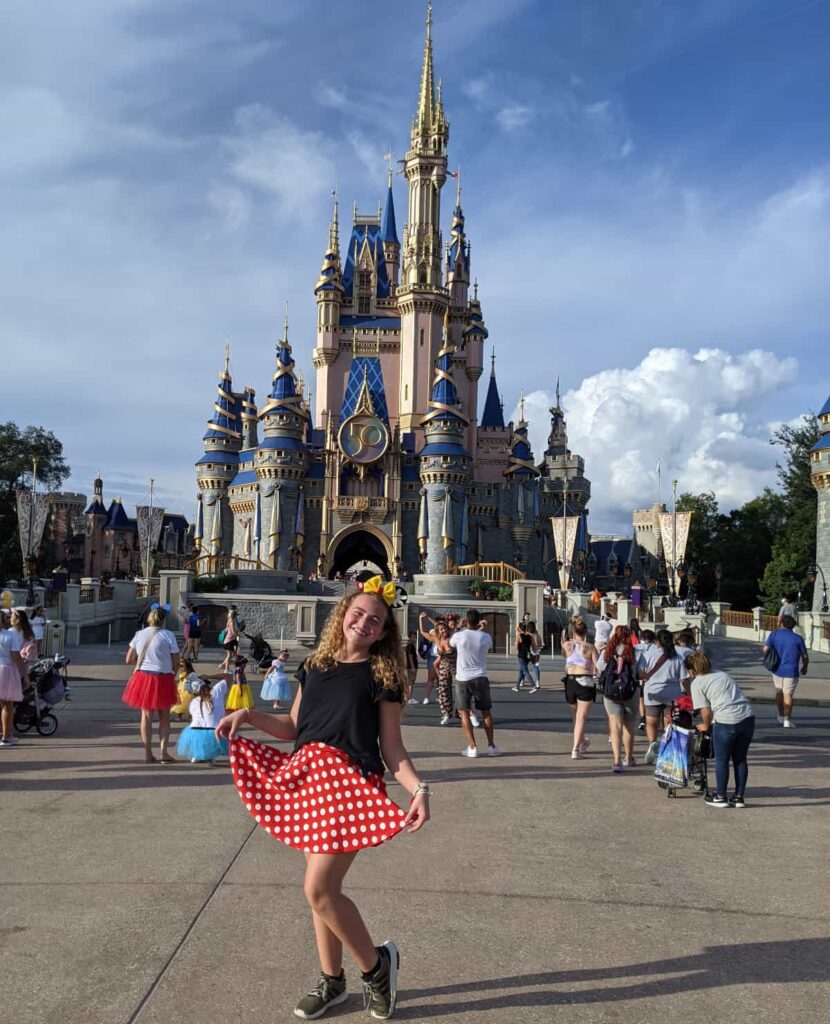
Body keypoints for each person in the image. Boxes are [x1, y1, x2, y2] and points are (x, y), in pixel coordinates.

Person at [215, 577, 429, 1021]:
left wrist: (418, 789)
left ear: (384, 631)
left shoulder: (382, 675)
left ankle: (376, 967)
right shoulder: (314, 665)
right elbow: (294, 727)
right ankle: (332, 981)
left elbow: (392, 748)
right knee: (322, 892)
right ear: (343, 614)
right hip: (310, 782)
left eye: (376, 620)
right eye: (359, 613)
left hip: (351, 786)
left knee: (318, 887)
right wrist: (248, 714)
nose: (364, 623)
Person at [686, 651, 755, 809]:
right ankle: (739, 797)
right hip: (747, 717)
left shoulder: (697, 683)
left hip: (725, 720)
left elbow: (706, 711)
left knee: (722, 760)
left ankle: (721, 796)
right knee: (740, 759)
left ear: (692, 671)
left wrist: (706, 725)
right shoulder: (722, 674)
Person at [123, 605, 180, 763]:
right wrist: (173, 672)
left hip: (144, 678)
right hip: (163, 678)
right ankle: (163, 753)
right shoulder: (168, 635)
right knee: (164, 717)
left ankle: (148, 753)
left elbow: (128, 659)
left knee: (146, 716)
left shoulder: (139, 634)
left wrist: (144, 661)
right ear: (163, 620)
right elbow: (176, 661)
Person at [449, 608, 500, 757]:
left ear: (467, 620)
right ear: (479, 621)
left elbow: (451, 643)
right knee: (486, 711)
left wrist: (460, 625)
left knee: (463, 712)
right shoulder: (485, 637)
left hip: (463, 678)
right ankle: (491, 746)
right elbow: (489, 648)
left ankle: (472, 747)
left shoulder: (459, 636)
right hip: (480, 676)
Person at [638, 629, 688, 764]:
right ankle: (667, 748)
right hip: (672, 693)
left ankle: (652, 743)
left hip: (652, 692)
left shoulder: (649, 654)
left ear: (658, 641)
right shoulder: (677, 657)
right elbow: (684, 679)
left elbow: (641, 672)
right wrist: (688, 694)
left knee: (651, 722)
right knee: (669, 722)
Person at [596, 625, 639, 773]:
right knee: (629, 725)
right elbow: (638, 672)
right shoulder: (634, 652)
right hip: (630, 691)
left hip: (611, 692)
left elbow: (599, 667)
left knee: (615, 726)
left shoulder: (607, 651)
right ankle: (628, 757)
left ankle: (617, 761)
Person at [561, 616, 598, 759]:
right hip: (585, 680)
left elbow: (565, 654)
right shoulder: (590, 647)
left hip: (570, 681)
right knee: (582, 716)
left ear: (573, 632)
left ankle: (581, 741)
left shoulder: (567, 645)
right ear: (586, 632)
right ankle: (575, 748)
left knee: (575, 716)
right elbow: (599, 666)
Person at [763, 614, 808, 728]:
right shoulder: (798, 639)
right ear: (792, 626)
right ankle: (787, 720)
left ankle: (780, 715)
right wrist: (805, 666)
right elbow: (805, 656)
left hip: (776, 669)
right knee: (788, 694)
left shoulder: (774, 634)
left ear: (782, 623)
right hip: (791, 671)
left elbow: (765, 649)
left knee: (779, 691)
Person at [177, 667, 229, 764]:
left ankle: (198, 754)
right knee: (219, 731)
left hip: (195, 731)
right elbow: (229, 676)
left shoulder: (193, 702)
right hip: (214, 731)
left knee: (195, 729)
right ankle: (209, 754)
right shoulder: (216, 692)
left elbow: (191, 719)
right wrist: (210, 676)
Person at [0, 609, 29, 747]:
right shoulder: (9, 635)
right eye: (6, 617)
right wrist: (25, 675)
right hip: (6, 669)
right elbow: (16, 657)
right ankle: (6, 736)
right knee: (7, 705)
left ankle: (4, 733)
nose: (8, 619)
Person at [512, 622, 536, 693]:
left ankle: (533, 686)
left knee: (525, 671)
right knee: (521, 671)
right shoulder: (529, 636)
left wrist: (516, 641)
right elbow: (533, 646)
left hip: (521, 655)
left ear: (519, 628)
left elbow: (516, 646)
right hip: (527, 656)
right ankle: (517, 686)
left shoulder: (519, 636)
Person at [220, 605, 240, 671]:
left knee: (235, 655)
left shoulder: (230, 620)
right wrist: (238, 635)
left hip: (230, 640)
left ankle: (235, 667)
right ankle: (226, 669)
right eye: (236, 615)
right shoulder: (232, 622)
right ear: (234, 616)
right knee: (229, 655)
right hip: (229, 641)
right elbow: (233, 632)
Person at [526, 620, 543, 689]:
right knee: (536, 667)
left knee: (524, 667)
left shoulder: (527, 634)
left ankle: (521, 681)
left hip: (528, 653)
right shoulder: (537, 634)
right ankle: (538, 682)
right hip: (536, 653)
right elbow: (540, 644)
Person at [404, 631, 419, 704]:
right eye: (413, 637)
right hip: (411, 666)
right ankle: (409, 698)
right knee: (411, 682)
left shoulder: (410, 645)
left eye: (415, 637)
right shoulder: (410, 646)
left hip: (410, 666)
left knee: (410, 682)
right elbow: (410, 656)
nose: (415, 639)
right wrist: (412, 667)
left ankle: (408, 697)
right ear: (409, 638)